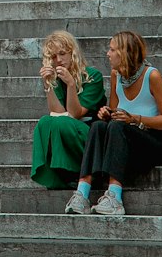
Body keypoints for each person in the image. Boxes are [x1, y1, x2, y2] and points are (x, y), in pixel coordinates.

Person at [64, 29, 162, 218]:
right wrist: (106, 113)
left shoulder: (152, 76)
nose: (107, 54)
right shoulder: (116, 75)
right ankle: (82, 194)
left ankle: (114, 197)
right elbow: (115, 114)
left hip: (152, 143)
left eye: (112, 49)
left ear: (124, 53)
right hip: (123, 143)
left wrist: (134, 119)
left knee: (117, 126)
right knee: (99, 125)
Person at [30, 30, 107, 189]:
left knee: (62, 123)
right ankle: (59, 174)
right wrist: (48, 86)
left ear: (73, 53)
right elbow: (57, 114)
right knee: (45, 122)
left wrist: (71, 84)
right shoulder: (57, 78)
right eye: (53, 57)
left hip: (91, 135)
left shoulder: (93, 76)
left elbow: (74, 114)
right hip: (67, 128)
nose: (58, 60)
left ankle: (75, 172)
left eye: (62, 54)